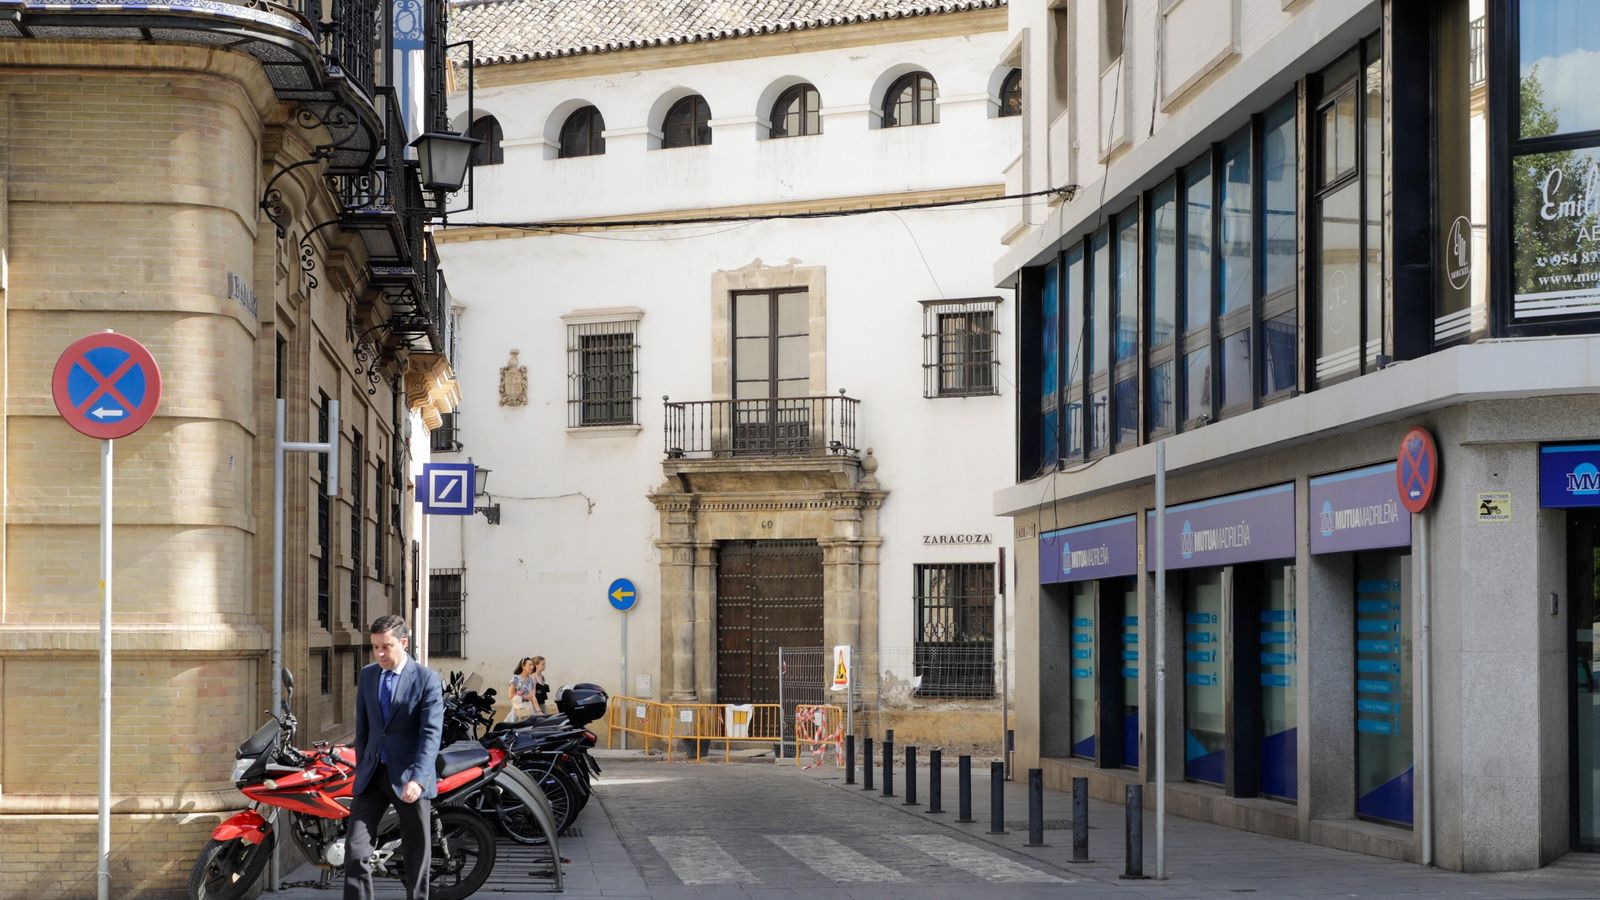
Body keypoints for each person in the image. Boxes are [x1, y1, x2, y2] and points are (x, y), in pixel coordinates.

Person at [345, 615, 443, 900]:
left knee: (416, 854)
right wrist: (362, 763)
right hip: (372, 775)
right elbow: (363, 729)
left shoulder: (426, 679)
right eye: (375, 647)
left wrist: (419, 778)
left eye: (385, 647)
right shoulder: (367, 675)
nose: (380, 654)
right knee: (355, 850)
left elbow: (431, 734)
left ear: (403, 642)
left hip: (409, 778)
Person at [508, 657, 537, 722]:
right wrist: (525, 697)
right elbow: (511, 695)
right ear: (523, 666)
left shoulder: (532, 680)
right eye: (530, 665)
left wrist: (538, 710)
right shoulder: (515, 678)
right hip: (518, 709)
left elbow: (533, 696)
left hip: (529, 709)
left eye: (532, 665)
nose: (532, 667)